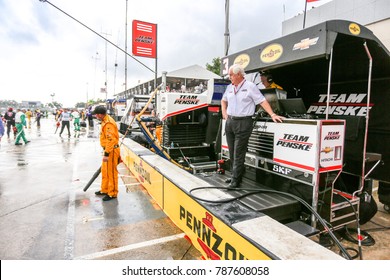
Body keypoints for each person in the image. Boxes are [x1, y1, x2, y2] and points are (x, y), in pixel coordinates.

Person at [221, 64, 283, 188]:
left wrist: (272, 114)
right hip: (230, 122)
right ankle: (235, 174)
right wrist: (224, 113)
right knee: (232, 151)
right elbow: (224, 100)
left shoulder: (250, 86)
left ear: (239, 74)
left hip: (244, 122)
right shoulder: (229, 87)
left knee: (239, 152)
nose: (229, 77)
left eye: (231, 75)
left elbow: (262, 101)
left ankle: (235, 180)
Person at [92, 105, 121, 201]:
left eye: (96, 114)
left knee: (111, 172)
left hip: (111, 151)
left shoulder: (109, 123)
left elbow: (111, 140)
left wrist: (107, 153)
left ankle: (112, 193)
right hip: (107, 150)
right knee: (105, 171)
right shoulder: (104, 120)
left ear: (100, 114)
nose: (96, 116)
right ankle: (104, 190)